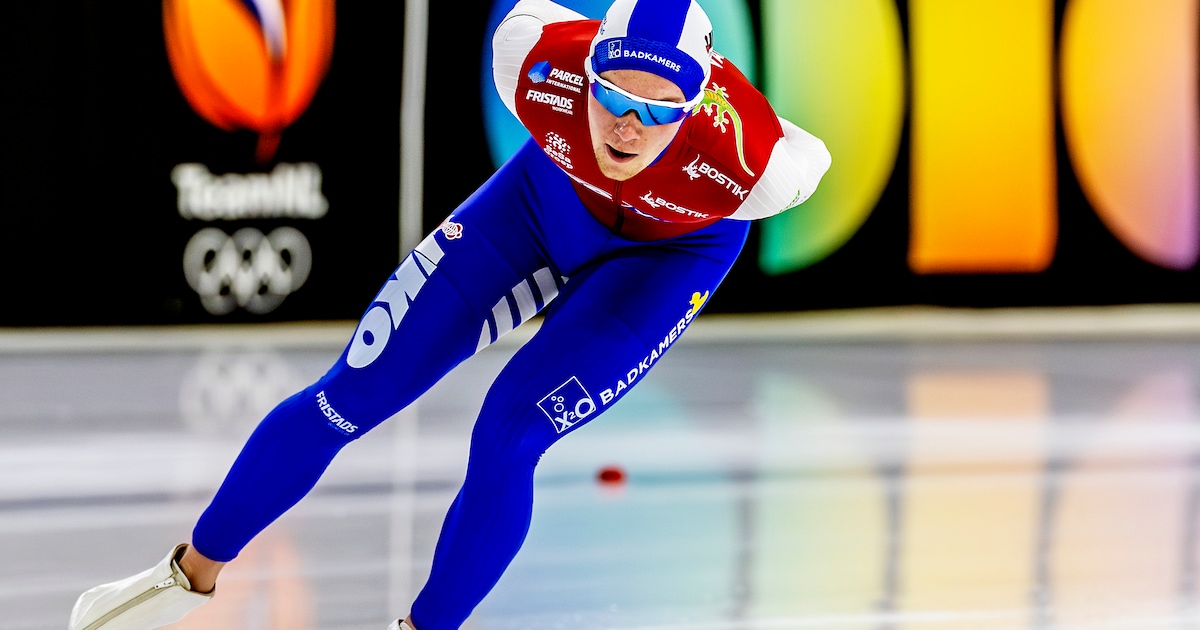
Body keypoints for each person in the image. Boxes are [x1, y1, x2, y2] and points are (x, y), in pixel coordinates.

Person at [70, 0, 830, 628]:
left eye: (656, 109)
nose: (625, 126)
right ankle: (186, 574)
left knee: (508, 434)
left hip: (667, 258)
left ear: (698, 105)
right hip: (540, 206)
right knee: (350, 394)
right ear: (585, 72)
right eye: (610, 95)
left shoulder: (757, 165)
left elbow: (812, 160)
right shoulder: (532, 55)